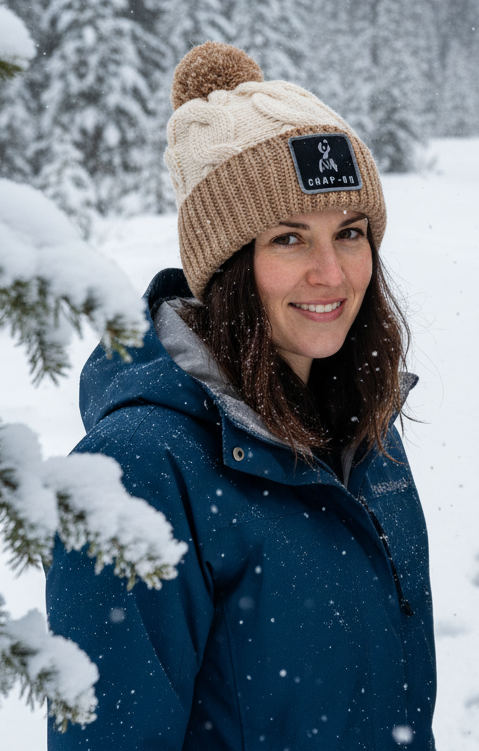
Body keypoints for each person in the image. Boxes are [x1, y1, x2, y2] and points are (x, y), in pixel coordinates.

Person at [47, 42, 435, 749]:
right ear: (226, 267)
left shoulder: (362, 429)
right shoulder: (142, 470)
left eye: (349, 233)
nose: (331, 272)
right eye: (289, 239)